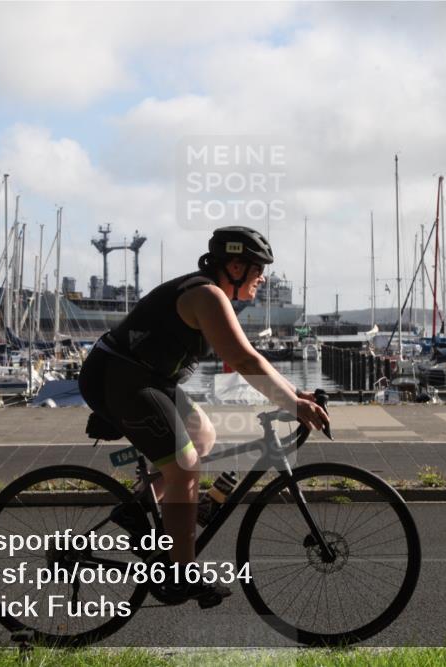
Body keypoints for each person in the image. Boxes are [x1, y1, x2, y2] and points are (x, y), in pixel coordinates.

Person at [78, 225, 330, 608]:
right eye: (257, 270)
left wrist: (296, 394)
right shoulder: (206, 295)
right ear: (234, 266)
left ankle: (136, 509)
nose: (261, 279)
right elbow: (245, 360)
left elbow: (247, 356)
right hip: (119, 378)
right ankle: (182, 574)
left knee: (203, 435)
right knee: (186, 468)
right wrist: (294, 405)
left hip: (144, 377)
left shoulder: (213, 295)